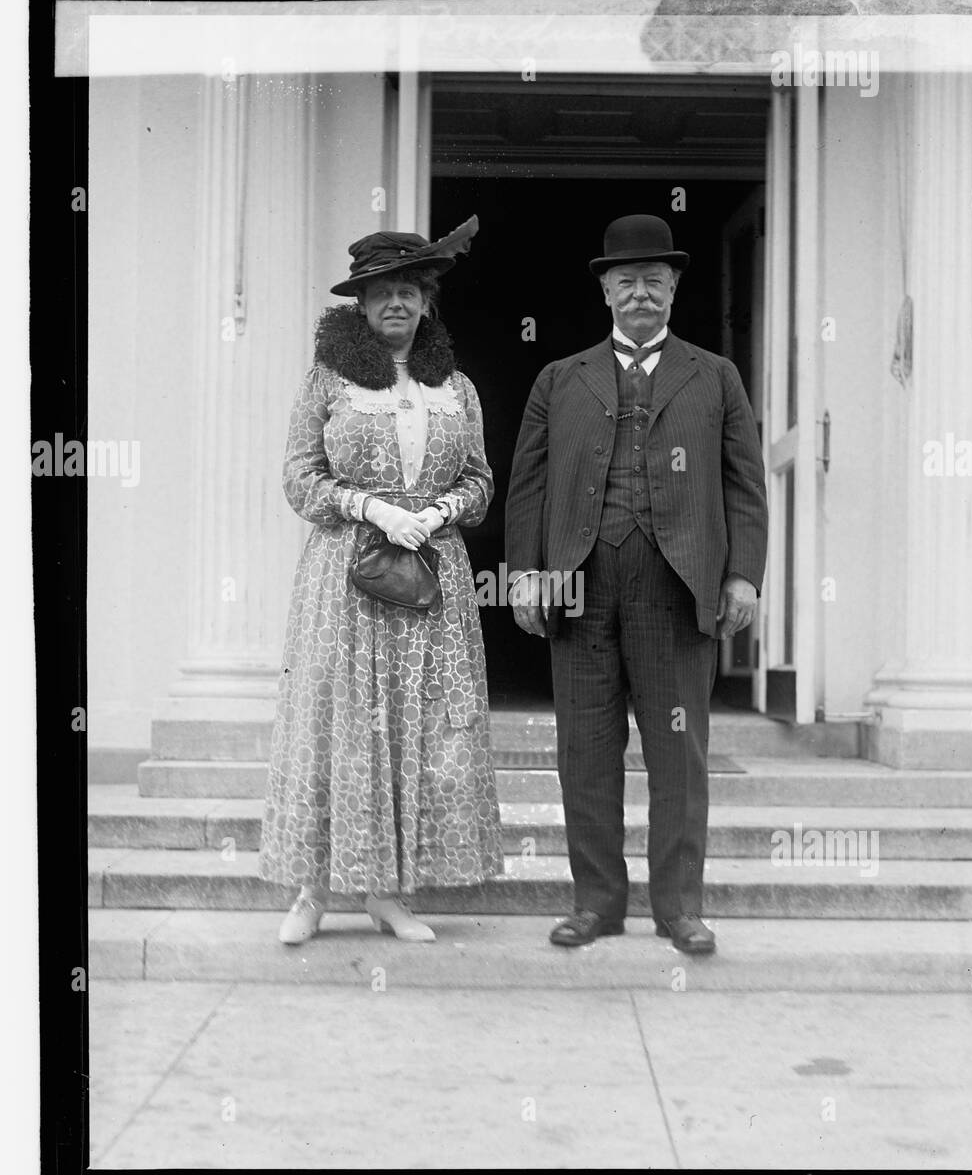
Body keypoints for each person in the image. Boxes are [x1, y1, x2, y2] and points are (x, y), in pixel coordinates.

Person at [505, 214, 768, 955]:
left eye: (655, 280)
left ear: (675, 288)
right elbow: (527, 486)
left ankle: (679, 908)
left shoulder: (713, 375)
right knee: (583, 751)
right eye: (627, 281)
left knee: (676, 754)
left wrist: (742, 574)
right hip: (580, 588)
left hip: (678, 589)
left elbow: (744, 484)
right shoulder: (560, 379)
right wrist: (525, 573)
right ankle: (595, 904)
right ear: (606, 292)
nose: (641, 293)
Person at [260, 217, 504, 944]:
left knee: (417, 727)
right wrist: (367, 507)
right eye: (381, 293)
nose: (396, 303)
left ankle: (388, 894)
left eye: (409, 290)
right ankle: (311, 890)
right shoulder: (329, 381)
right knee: (337, 722)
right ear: (360, 307)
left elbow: (481, 480)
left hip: (433, 574)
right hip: (345, 577)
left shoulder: (453, 387)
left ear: (426, 303)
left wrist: (437, 511)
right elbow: (300, 475)